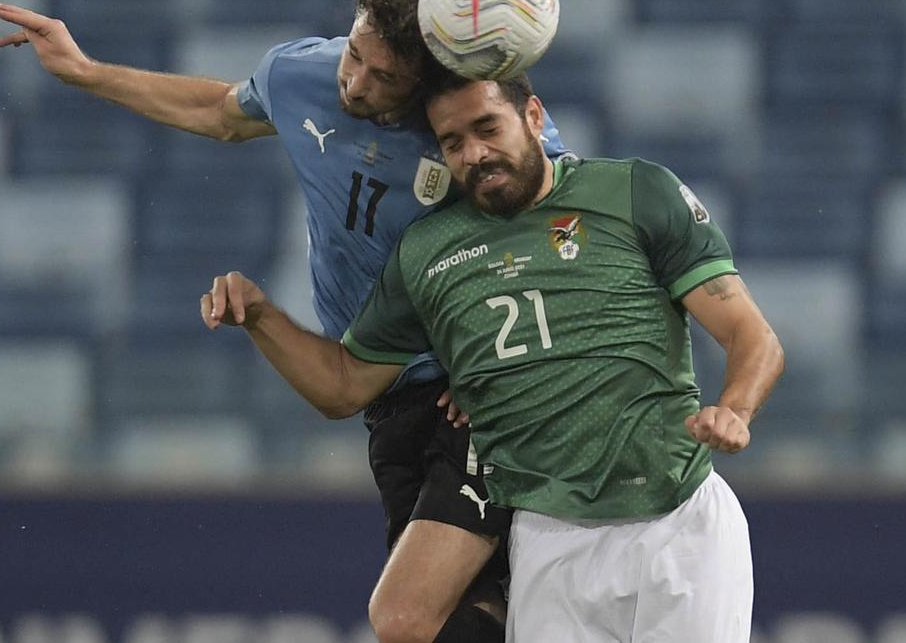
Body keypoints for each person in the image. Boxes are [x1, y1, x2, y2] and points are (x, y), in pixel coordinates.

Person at [0, 0, 572, 643]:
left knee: (419, 618)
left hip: (469, 394)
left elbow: (564, 225)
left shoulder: (469, 128)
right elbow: (220, 111)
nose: (355, 82)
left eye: (383, 76)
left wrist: (506, 361)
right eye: (354, 54)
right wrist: (87, 72)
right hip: (384, 394)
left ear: (426, 81)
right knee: (469, 614)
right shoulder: (300, 74)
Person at [200, 71, 785, 643]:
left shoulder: (636, 193)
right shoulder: (426, 253)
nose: (475, 153)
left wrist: (735, 408)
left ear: (533, 117)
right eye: (453, 143)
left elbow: (751, 336)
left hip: (678, 524)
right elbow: (344, 385)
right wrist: (261, 317)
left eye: (488, 128)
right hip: (547, 542)